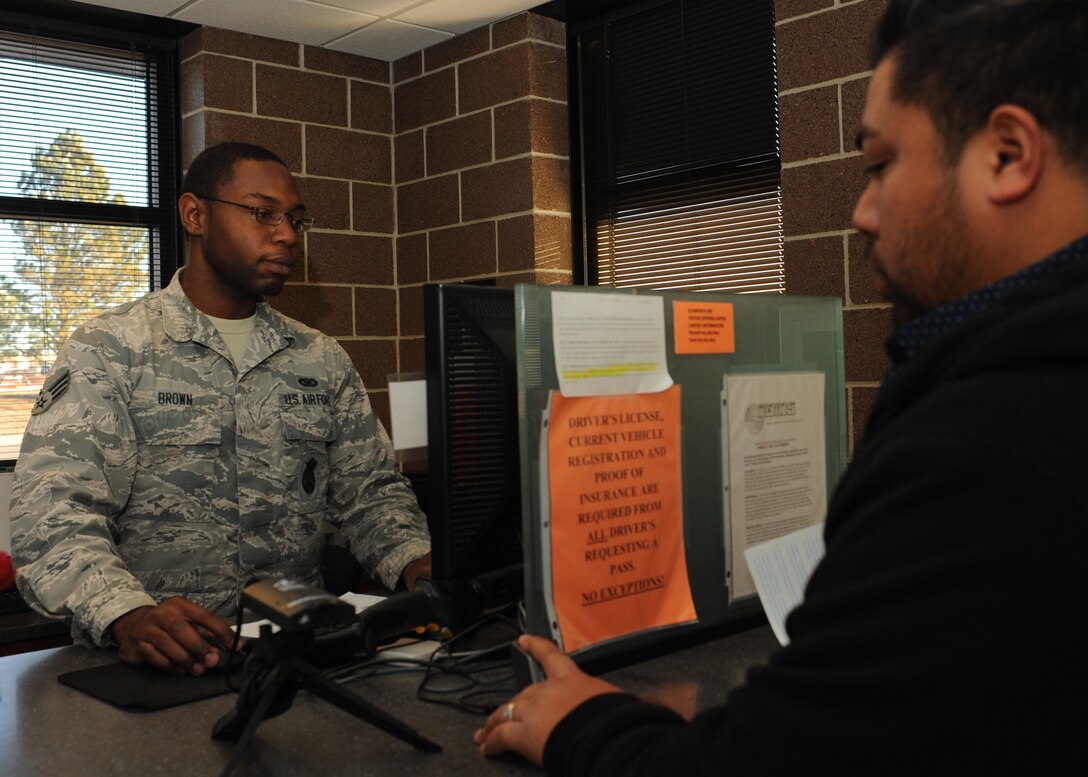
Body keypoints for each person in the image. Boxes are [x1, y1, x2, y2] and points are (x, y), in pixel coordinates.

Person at [474, 1, 1088, 773]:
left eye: (879, 164)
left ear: (1007, 154)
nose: (862, 211)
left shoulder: (983, 452)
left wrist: (581, 720)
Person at [10, 142, 431, 676]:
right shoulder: (111, 348)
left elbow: (369, 493)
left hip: (296, 657)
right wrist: (127, 614)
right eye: (263, 214)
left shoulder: (319, 358)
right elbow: (53, 514)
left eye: (296, 220)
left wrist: (418, 561)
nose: (286, 235)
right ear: (195, 214)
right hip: (159, 666)